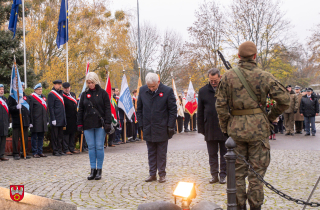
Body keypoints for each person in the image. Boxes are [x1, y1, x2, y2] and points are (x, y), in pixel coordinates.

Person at [215, 41, 290, 210]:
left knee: (237, 175)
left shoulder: (228, 76)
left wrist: (225, 127)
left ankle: (238, 207)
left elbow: (220, 106)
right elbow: (285, 100)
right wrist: (270, 117)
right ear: (255, 56)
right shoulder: (265, 76)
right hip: (259, 131)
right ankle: (256, 207)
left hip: (236, 132)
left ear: (239, 57)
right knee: (257, 177)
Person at [137, 73, 177, 183]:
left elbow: (173, 110)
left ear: (158, 82)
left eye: (153, 86)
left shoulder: (167, 91)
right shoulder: (142, 90)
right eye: (149, 86)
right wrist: (141, 124)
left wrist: (170, 126)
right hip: (148, 126)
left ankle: (162, 174)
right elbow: (139, 109)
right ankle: (152, 173)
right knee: (151, 152)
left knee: (161, 152)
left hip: (162, 127)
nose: (151, 88)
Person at [77, 72, 112, 180]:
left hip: (100, 124)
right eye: (88, 82)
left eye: (92, 82)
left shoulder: (103, 93)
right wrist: (79, 123)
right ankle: (93, 169)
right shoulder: (84, 94)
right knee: (91, 147)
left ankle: (99, 170)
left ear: (95, 81)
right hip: (88, 124)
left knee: (99, 146)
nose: (90, 84)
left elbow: (107, 109)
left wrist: (107, 122)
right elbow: (80, 110)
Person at [198, 68, 228, 184]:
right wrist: (201, 128)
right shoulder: (203, 91)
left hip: (224, 127)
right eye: (211, 80)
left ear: (220, 77)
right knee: (212, 154)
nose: (213, 82)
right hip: (209, 127)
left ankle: (223, 175)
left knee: (224, 154)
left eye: (215, 80)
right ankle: (214, 175)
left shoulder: (226, 89)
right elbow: (200, 111)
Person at [7, 82, 31, 160]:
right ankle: (15, 153)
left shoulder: (25, 97)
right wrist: (16, 107)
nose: (22, 89)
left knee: (25, 138)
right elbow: (9, 108)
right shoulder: (12, 97)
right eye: (21, 87)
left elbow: (29, 109)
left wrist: (30, 120)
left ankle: (24, 152)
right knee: (15, 138)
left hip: (25, 121)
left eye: (23, 87)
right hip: (17, 120)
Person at [29, 83, 49, 158]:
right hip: (35, 120)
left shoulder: (43, 97)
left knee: (41, 137)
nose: (40, 91)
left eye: (41, 89)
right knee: (34, 137)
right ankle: (34, 152)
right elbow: (30, 110)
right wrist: (30, 121)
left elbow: (46, 109)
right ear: (35, 90)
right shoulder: (31, 97)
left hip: (42, 120)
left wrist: (47, 119)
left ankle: (40, 151)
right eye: (38, 89)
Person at [48, 80, 67, 156]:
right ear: (54, 85)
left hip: (61, 118)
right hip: (55, 119)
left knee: (60, 136)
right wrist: (53, 119)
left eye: (60, 84)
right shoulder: (51, 94)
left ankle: (59, 149)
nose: (60, 86)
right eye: (58, 84)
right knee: (55, 136)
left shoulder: (61, 93)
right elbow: (51, 108)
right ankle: (55, 150)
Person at [62, 82, 79, 155]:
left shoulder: (72, 95)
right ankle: (66, 149)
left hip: (73, 117)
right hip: (66, 117)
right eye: (65, 88)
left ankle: (72, 148)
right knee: (66, 134)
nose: (67, 89)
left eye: (68, 88)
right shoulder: (62, 96)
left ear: (70, 88)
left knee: (72, 133)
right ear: (63, 88)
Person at [0, 84, 9, 161]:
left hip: (4, 123)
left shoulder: (5, 99)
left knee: (3, 139)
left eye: (2, 89)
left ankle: (2, 154)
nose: (2, 90)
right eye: (0, 89)